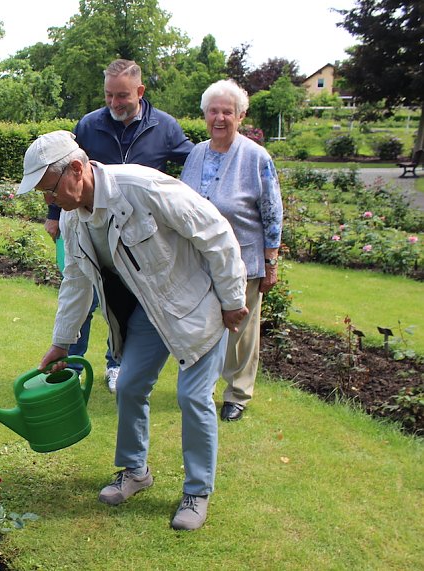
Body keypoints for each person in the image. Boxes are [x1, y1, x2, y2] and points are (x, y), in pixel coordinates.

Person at [17, 130, 247, 531]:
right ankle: (135, 471)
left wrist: (232, 300)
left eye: (49, 190)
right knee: (128, 386)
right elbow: (76, 280)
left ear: (77, 169)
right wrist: (61, 341)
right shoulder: (74, 219)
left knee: (192, 396)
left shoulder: (142, 187)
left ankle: (197, 491)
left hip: (197, 305)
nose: (48, 201)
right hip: (148, 313)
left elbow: (215, 233)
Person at [45, 59, 195, 393]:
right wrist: (55, 216)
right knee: (81, 289)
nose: (114, 103)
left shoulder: (164, 126)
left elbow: (194, 160)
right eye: (109, 95)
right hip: (92, 225)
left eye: (122, 96)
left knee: (125, 303)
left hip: (140, 237)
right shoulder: (89, 125)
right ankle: (70, 365)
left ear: (140, 91)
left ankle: (117, 366)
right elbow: (65, 174)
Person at [180, 79, 283, 422]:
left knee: (240, 330)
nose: (220, 118)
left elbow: (271, 212)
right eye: (213, 111)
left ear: (240, 116)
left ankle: (237, 394)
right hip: (200, 260)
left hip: (244, 260)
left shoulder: (256, 158)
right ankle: (202, 387)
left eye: (228, 111)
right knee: (205, 325)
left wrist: (271, 262)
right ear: (204, 115)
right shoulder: (196, 154)